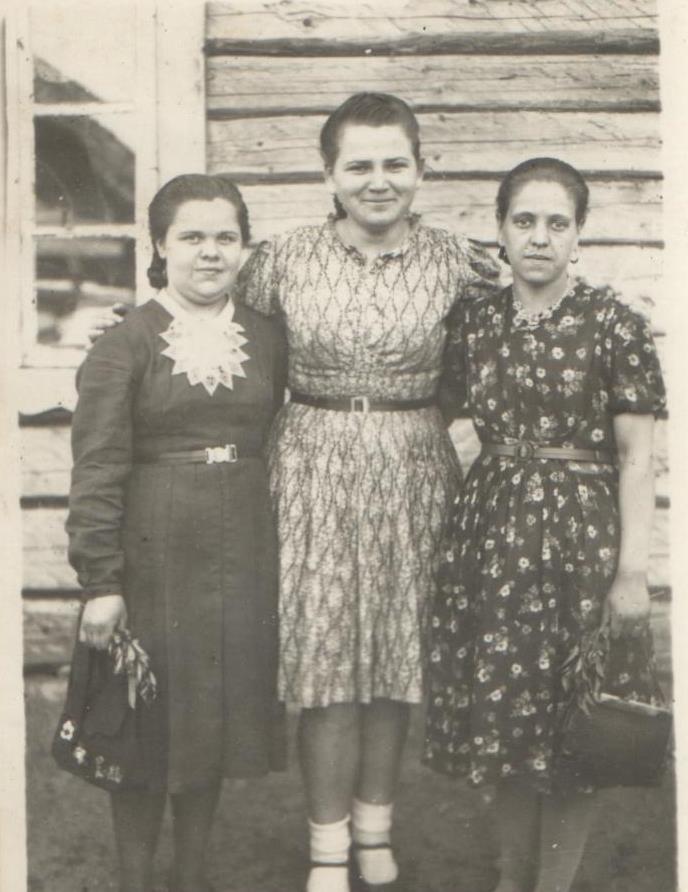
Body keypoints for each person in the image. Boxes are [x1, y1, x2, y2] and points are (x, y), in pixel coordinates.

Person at [236, 92, 500, 892]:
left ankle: (376, 832)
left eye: (395, 163)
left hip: (414, 465)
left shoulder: (460, 264)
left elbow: (507, 346)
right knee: (325, 664)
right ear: (329, 174)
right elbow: (219, 332)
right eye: (358, 165)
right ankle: (327, 846)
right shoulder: (282, 261)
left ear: (422, 168)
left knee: (393, 659)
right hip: (310, 465)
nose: (377, 181)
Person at [423, 157, 666, 892]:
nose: (539, 237)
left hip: (580, 542)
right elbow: (442, 417)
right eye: (524, 221)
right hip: (492, 538)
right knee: (503, 714)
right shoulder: (474, 323)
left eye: (557, 223)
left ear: (578, 234)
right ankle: (511, 876)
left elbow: (637, 458)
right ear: (500, 231)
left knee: (571, 725)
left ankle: (553, 883)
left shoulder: (614, 325)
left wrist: (631, 573)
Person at [66, 174, 286, 892]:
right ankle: (135, 880)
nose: (210, 252)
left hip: (242, 549)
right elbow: (97, 467)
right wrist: (101, 582)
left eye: (226, 236)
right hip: (155, 554)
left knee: (210, 721)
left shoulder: (266, 337)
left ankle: (193, 877)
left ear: (244, 246)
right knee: (145, 721)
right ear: (160, 246)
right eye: (192, 236)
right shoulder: (123, 343)